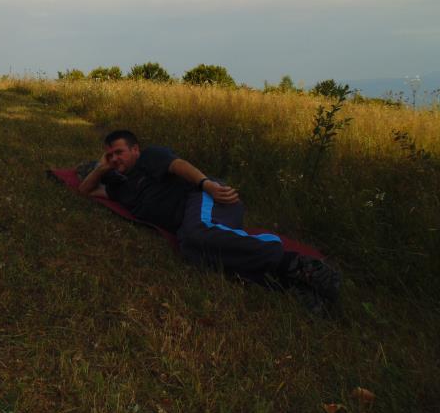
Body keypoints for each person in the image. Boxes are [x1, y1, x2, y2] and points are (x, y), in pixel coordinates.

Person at [78, 130, 341, 313]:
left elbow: (178, 165)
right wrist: (101, 168)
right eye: (109, 155)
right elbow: (85, 190)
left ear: (135, 149)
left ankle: (294, 261)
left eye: (119, 152)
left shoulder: (149, 157)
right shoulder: (120, 189)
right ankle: (290, 283)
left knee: (197, 233)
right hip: (188, 222)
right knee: (191, 251)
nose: (114, 158)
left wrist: (207, 184)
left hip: (204, 197)